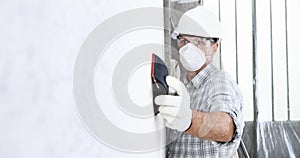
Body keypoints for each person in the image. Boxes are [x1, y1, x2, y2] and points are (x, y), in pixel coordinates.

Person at [154, 6, 244, 157]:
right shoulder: (184, 86)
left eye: (197, 42)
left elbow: (225, 128)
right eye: (183, 41)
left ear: (214, 47)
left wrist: (188, 119)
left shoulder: (219, 81)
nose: (188, 49)